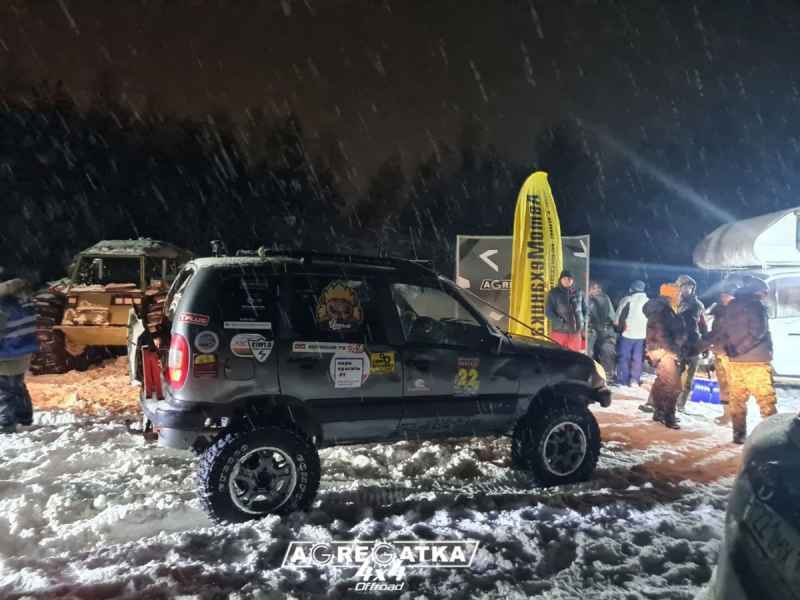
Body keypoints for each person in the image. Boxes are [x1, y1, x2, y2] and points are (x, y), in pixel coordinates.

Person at [711, 276, 776, 444]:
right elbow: (758, 332)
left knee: (737, 400)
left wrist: (731, 351)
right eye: (764, 292)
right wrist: (739, 349)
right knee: (766, 401)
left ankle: (738, 436)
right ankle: (772, 439)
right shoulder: (756, 306)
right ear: (757, 291)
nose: (765, 296)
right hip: (756, 362)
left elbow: (723, 332)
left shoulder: (731, 306)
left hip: (735, 362)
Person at [643, 283, 687, 429]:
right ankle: (669, 417)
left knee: (662, 382)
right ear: (671, 295)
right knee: (674, 386)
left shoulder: (662, 309)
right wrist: (673, 351)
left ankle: (659, 412)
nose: (680, 297)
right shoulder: (663, 311)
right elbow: (661, 334)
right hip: (664, 351)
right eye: (678, 294)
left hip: (658, 349)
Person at [0, 268, 37, 434]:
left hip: (6, 353)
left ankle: (6, 423)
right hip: (23, 350)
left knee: (3, 391)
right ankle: (24, 418)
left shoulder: (3, 303)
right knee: (18, 387)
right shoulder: (23, 299)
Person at [703, 278, 740, 426]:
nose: (724, 297)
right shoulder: (719, 310)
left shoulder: (740, 311)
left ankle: (735, 415)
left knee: (734, 386)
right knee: (723, 385)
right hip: (719, 352)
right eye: (723, 294)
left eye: (727, 295)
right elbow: (716, 331)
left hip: (731, 355)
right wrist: (707, 343)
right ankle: (726, 414)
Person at [674, 275, 707, 412]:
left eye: (690, 287)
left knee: (688, 378)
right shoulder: (674, 303)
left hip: (693, 345)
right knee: (673, 375)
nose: (687, 289)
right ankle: (667, 402)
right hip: (677, 345)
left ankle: (681, 404)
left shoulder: (698, 305)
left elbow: (703, 325)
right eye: (684, 286)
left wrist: (705, 345)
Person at [615, 280, 648, 387]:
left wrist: (618, 329)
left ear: (631, 289)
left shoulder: (627, 300)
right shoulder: (648, 301)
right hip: (642, 335)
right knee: (637, 358)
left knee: (624, 357)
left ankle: (623, 380)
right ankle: (634, 380)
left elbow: (618, 319)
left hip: (627, 334)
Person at [545, 270, 586, 352]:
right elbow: (548, 312)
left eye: (569, 279)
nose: (567, 280)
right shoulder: (553, 293)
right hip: (559, 332)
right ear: (560, 280)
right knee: (558, 355)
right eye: (565, 279)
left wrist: (583, 321)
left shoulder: (579, 292)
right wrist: (560, 322)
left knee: (574, 356)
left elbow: (585, 310)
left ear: (573, 280)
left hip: (576, 333)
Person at [587, 280, 616, 381]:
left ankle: (593, 374)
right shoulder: (605, 298)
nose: (597, 290)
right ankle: (606, 375)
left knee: (591, 352)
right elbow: (612, 316)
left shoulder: (587, 299)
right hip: (604, 329)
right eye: (594, 288)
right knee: (605, 351)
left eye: (597, 288)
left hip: (594, 329)